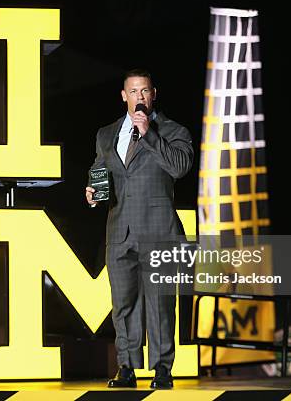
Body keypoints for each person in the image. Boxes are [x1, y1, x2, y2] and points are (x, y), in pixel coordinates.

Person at [85, 69, 194, 389]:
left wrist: (149, 133)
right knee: (123, 304)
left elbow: (179, 167)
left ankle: (162, 369)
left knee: (160, 303)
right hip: (120, 231)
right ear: (124, 96)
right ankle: (127, 369)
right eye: (133, 92)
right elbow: (99, 171)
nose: (139, 98)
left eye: (144, 91)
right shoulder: (106, 134)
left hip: (159, 230)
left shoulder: (173, 130)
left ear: (154, 94)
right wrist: (93, 191)